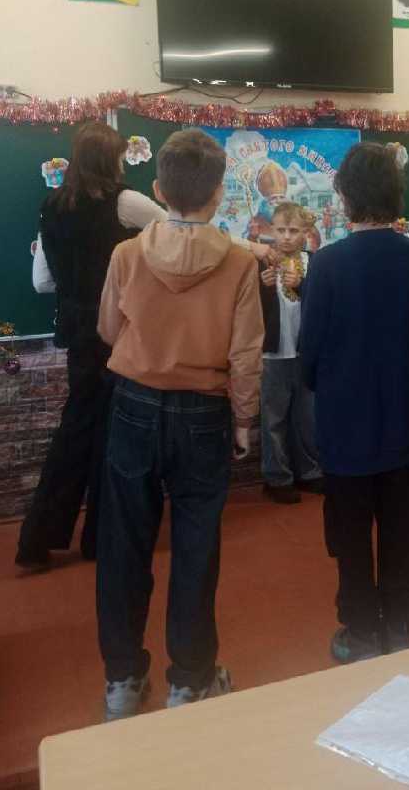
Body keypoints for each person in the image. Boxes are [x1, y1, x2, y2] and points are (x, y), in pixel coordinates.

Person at [95, 129, 264, 721]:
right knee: (196, 549)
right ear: (218, 194)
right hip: (205, 414)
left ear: (159, 189)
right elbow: (246, 352)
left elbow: (109, 330)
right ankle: (189, 681)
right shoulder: (240, 261)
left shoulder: (126, 255)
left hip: (134, 405)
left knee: (123, 545)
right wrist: (244, 419)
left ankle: (122, 680)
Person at [16, 121, 167, 569]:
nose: (123, 165)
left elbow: (42, 282)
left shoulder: (52, 205)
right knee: (116, 432)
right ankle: (101, 538)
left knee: (75, 430)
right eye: (120, 157)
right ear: (110, 160)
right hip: (119, 331)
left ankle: (37, 539)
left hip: (79, 334)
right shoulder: (126, 201)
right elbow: (177, 234)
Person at [300, 143, 409, 663]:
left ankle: (360, 634)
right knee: (401, 529)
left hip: (343, 424)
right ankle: (401, 627)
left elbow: (309, 351)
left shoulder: (327, 264)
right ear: (395, 194)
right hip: (399, 419)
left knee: (350, 535)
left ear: (346, 195)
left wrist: (321, 384)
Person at [259, 202, 323, 503]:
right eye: (281, 230)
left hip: (305, 352)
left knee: (307, 417)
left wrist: (303, 285)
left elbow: (323, 304)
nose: (286, 237)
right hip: (272, 355)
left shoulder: (314, 264)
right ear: (271, 230)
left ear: (306, 232)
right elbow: (248, 310)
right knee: (273, 419)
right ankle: (277, 477)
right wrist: (261, 287)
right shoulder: (262, 263)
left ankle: (309, 472)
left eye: (293, 230)